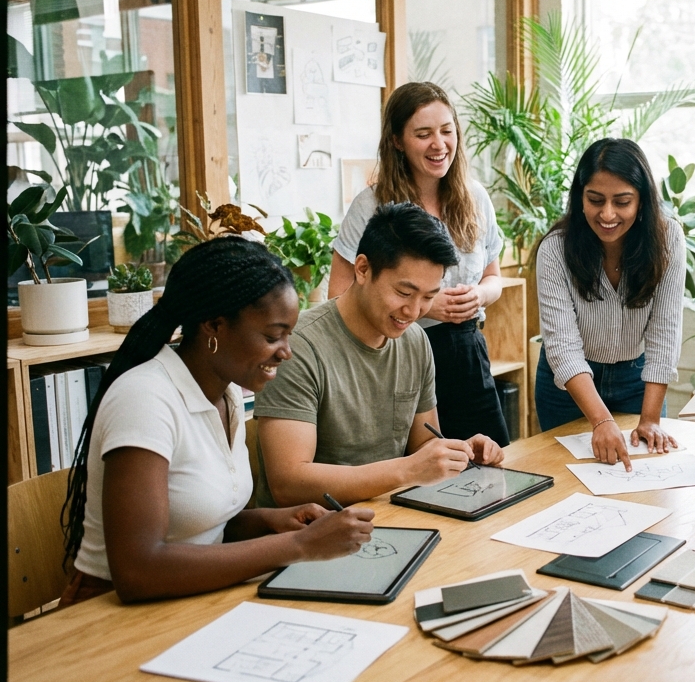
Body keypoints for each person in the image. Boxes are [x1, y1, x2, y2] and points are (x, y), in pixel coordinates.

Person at [59, 237, 374, 606]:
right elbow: (137, 571)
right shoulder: (144, 399)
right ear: (213, 326)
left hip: (189, 599)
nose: (286, 352)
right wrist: (299, 545)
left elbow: (198, 525)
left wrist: (272, 521)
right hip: (107, 614)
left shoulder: (227, 393)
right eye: (273, 336)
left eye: (288, 335)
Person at [256, 202, 504, 507]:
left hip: (390, 515)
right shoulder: (298, 347)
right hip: (314, 527)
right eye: (404, 293)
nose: (414, 311)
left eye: (429, 297)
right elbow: (288, 484)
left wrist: (455, 455)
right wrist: (408, 470)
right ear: (362, 269)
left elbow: (423, 443)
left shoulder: (415, 340)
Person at [328, 82, 509, 445]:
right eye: (423, 134)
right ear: (397, 141)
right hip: (397, 355)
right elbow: (338, 294)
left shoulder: (475, 197)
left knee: (489, 459)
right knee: (418, 465)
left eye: (446, 131)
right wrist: (423, 305)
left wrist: (479, 296)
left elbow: (494, 277)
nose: (439, 144)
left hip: (467, 353)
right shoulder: (370, 206)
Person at [535, 138, 687, 469]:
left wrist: (650, 419)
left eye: (622, 202)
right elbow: (563, 347)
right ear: (580, 198)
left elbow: (664, 332)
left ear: (642, 201)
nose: (607, 214)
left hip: (636, 383)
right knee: (567, 480)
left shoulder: (669, 240)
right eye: (595, 200)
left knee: (642, 475)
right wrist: (601, 421)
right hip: (567, 390)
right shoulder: (555, 250)